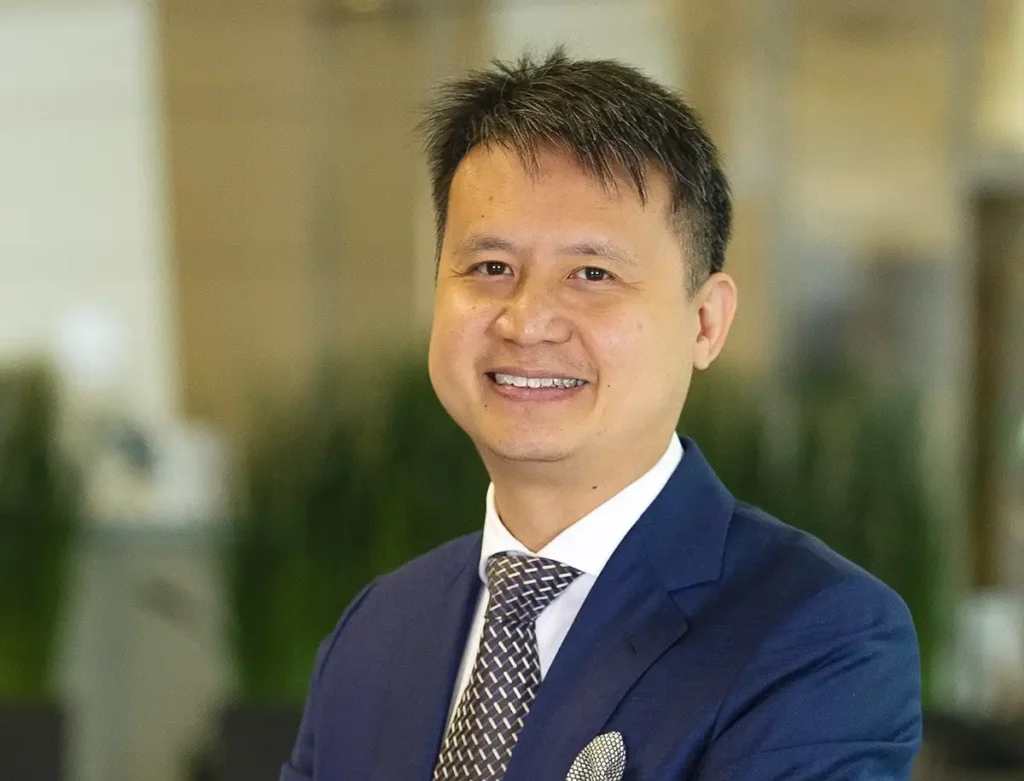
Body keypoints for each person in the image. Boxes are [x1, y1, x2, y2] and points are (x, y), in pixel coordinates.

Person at [280, 50, 921, 781]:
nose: (527, 321)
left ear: (706, 322)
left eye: (592, 273)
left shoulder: (819, 636)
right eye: (490, 268)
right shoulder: (377, 631)